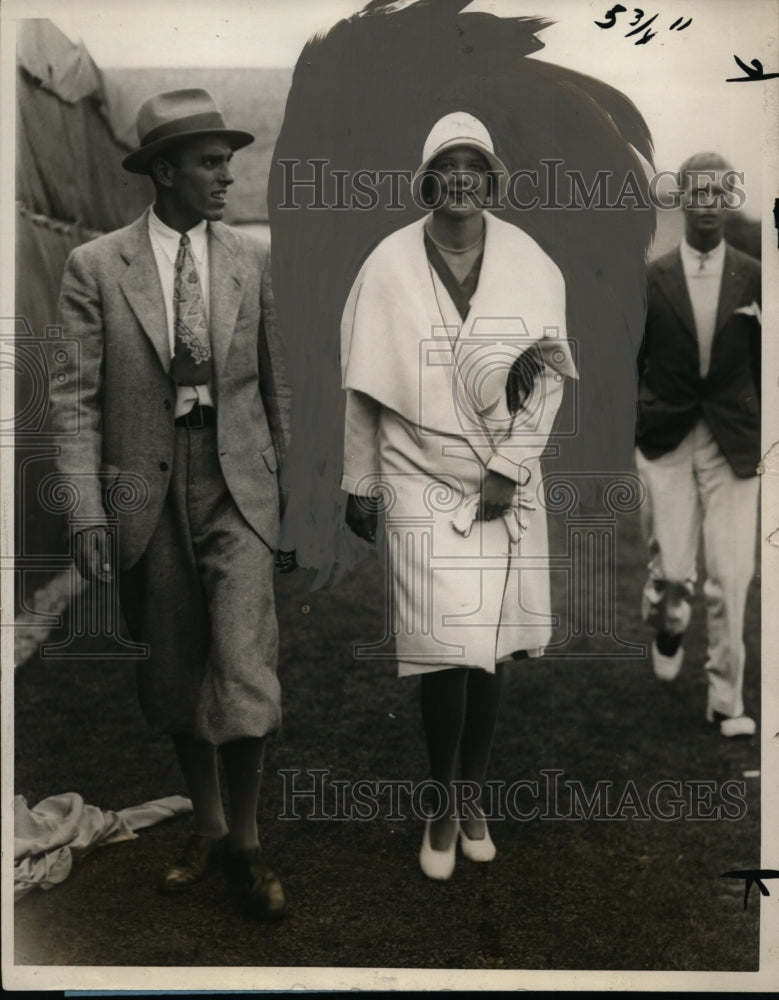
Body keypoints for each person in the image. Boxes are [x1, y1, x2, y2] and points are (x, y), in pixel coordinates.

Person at [50, 89, 293, 918]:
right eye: (211, 164)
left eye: (229, 162)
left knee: (243, 658)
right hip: (147, 490)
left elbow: (276, 382)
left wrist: (291, 496)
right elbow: (76, 399)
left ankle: (250, 847)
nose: (228, 177)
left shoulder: (246, 260)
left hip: (239, 483)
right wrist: (85, 509)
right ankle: (211, 826)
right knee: (177, 665)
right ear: (164, 172)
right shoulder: (95, 266)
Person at [340, 112, 578, 879]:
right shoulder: (386, 263)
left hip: (504, 476)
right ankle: (440, 802)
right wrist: (359, 481)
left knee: (490, 646)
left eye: (476, 165)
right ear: (427, 178)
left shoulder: (529, 261)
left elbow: (546, 380)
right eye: (449, 165)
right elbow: (363, 389)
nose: (463, 179)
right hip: (416, 471)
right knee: (444, 644)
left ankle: (473, 795)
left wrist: (512, 466)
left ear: (491, 177)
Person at [635, 152, 761, 739]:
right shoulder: (652, 278)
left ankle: (725, 701)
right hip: (667, 440)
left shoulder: (758, 275)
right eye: (697, 192)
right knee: (678, 572)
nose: (708, 202)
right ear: (681, 199)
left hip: (735, 442)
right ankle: (667, 616)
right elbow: (628, 363)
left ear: (729, 199)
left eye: (718, 192)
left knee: (731, 577)